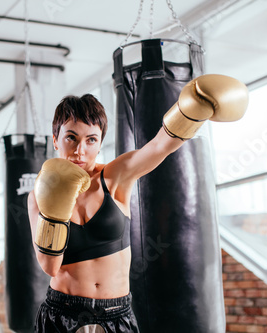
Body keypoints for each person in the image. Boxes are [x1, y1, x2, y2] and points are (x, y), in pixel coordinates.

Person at [27, 74, 249, 333]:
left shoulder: (114, 177)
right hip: (62, 314)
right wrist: (56, 206)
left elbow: (157, 148)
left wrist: (191, 111)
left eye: (91, 140)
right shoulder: (38, 195)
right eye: (71, 137)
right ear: (55, 139)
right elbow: (49, 266)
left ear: (100, 144)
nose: (80, 150)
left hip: (116, 314)